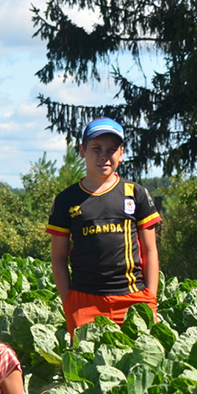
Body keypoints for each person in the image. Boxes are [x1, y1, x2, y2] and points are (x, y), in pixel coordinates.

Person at [46, 117, 162, 336]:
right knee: (85, 367)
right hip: (83, 301)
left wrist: (151, 298)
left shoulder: (136, 193)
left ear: (121, 153)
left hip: (133, 298)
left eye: (111, 150)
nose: (104, 156)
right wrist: (68, 301)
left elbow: (150, 250)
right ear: (82, 151)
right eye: (96, 148)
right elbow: (58, 257)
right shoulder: (66, 199)